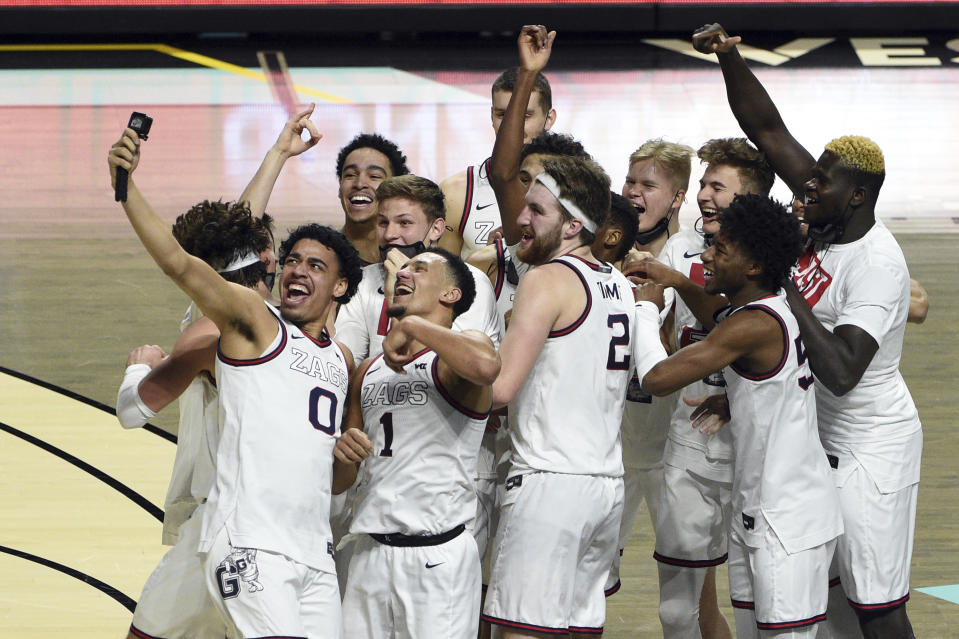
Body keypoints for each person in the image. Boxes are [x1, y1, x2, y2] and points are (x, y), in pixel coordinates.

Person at [693, 24, 923, 639]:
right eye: (812, 175)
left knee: (877, 606)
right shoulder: (826, 210)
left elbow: (843, 372)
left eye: (824, 182)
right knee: (831, 599)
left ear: (860, 197)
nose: (809, 186)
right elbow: (767, 131)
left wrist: (782, 286)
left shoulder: (876, 265)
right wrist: (730, 56)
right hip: (817, 438)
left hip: (871, 447)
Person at [109, 123, 364, 638]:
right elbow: (185, 264)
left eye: (312, 263)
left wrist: (278, 153)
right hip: (233, 523)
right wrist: (124, 187)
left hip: (303, 542)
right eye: (288, 257)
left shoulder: (334, 353)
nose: (291, 265)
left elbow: (237, 233)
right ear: (267, 264)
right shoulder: (240, 323)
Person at [632, 193, 842, 639]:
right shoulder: (764, 310)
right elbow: (723, 322)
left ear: (751, 266)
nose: (706, 254)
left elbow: (655, 378)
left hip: (787, 521)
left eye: (720, 249)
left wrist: (646, 309)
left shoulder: (754, 325)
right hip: (760, 511)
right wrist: (741, 397)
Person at [483, 155, 632, 637]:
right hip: (606, 488)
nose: (521, 220)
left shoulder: (546, 279)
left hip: (550, 486)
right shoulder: (620, 285)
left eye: (536, 211)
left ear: (573, 225)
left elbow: (499, 390)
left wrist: (436, 356)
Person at [631, 137, 774, 639]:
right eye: (703, 184)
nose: (704, 195)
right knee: (676, 610)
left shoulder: (779, 256)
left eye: (718, 185)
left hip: (756, 449)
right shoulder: (681, 246)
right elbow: (669, 339)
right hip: (688, 440)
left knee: (759, 603)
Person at [117, 201, 275, 639]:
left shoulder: (208, 333)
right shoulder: (286, 329)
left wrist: (141, 366)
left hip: (218, 524)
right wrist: (278, 155)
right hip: (278, 518)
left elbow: (133, 411)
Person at [333, 248, 500, 638]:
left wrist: (412, 327)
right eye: (402, 268)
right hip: (370, 553)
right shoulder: (369, 371)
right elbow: (342, 481)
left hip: (437, 558)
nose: (403, 273)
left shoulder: (463, 349)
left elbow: (487, 367)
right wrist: (343, 452)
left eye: (419, 268)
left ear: (451, 295)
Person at [239, 103, 410, 265]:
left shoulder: (414, 257)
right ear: (339, 188)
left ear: (395, 192)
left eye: (374, 176)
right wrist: (279, 153)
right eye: (350, 175)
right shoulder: (319, 257)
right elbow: (236, 237)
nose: (359, 183)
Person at [437, 29, 557, 257]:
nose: (513, 127)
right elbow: (445, 277)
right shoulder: (457, 191)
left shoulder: (575, 187)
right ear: (491, 116)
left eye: (525, 116)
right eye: (503, 115)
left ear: (549, 119)